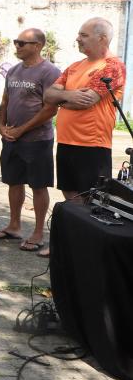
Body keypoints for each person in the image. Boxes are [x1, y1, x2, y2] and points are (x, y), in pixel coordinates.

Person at [44, 17, 126, 256]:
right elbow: (48, 96)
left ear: (102, 38)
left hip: (92, 144)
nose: (77, 38)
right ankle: (69, 245)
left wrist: (62, 98)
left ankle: (86, 250)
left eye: (83, 35)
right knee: (70, 195)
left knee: (92, 200)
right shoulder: (74, 67)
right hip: (67, 141)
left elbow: (86, 101)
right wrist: (68, 96)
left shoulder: (112, 66)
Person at [0, 28, 60, 251]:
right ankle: (14, 225)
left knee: (38, 185)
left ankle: (39, 232)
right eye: (16, 41)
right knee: (13, 182)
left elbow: (50, 109)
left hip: (37, 140)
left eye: (23, 43)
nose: (17, 46)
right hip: (12, 138)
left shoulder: (49, 72)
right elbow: (5, 101)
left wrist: (21, 130)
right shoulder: (13, 71)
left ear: (38, 46)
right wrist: (1, 126)